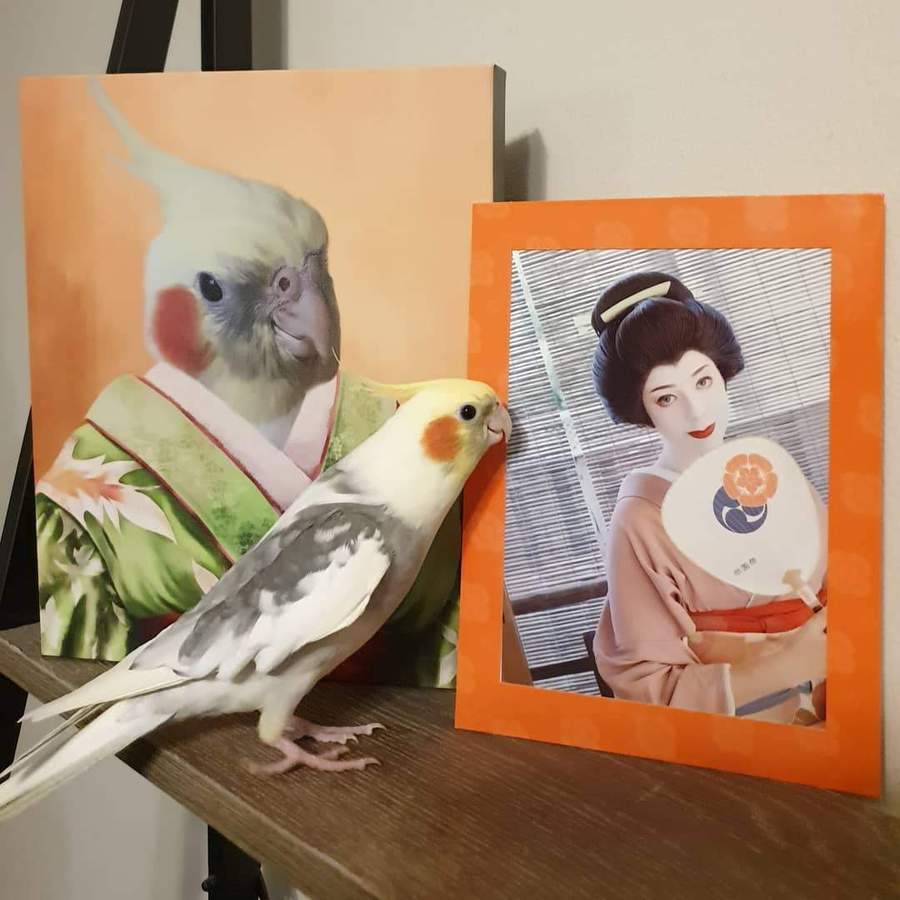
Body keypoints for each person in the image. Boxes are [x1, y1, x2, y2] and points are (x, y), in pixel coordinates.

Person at [589, 271, 827, 723]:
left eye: (703, 382)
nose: (696, 411)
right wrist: (790, 662)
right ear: (642, 410)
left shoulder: (772, 469)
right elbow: (648, 687)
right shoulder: (639, 519)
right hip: (751, 725)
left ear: (723, 374)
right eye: (666, 398)